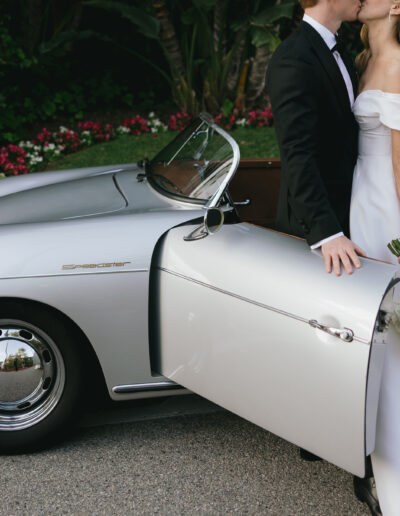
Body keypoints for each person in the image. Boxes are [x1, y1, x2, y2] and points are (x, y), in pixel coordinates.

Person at [266, 0, 366, 277]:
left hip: (352, 213)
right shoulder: (293, 57)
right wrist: (328, 232)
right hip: (318, 233)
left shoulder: (339, 51)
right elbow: (297, 153)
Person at [350, 0, 400, 514]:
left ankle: (393, 467)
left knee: (392, 327)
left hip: (387, 203)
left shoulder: (399, 64)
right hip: (359, 197)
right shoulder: (363, 61)